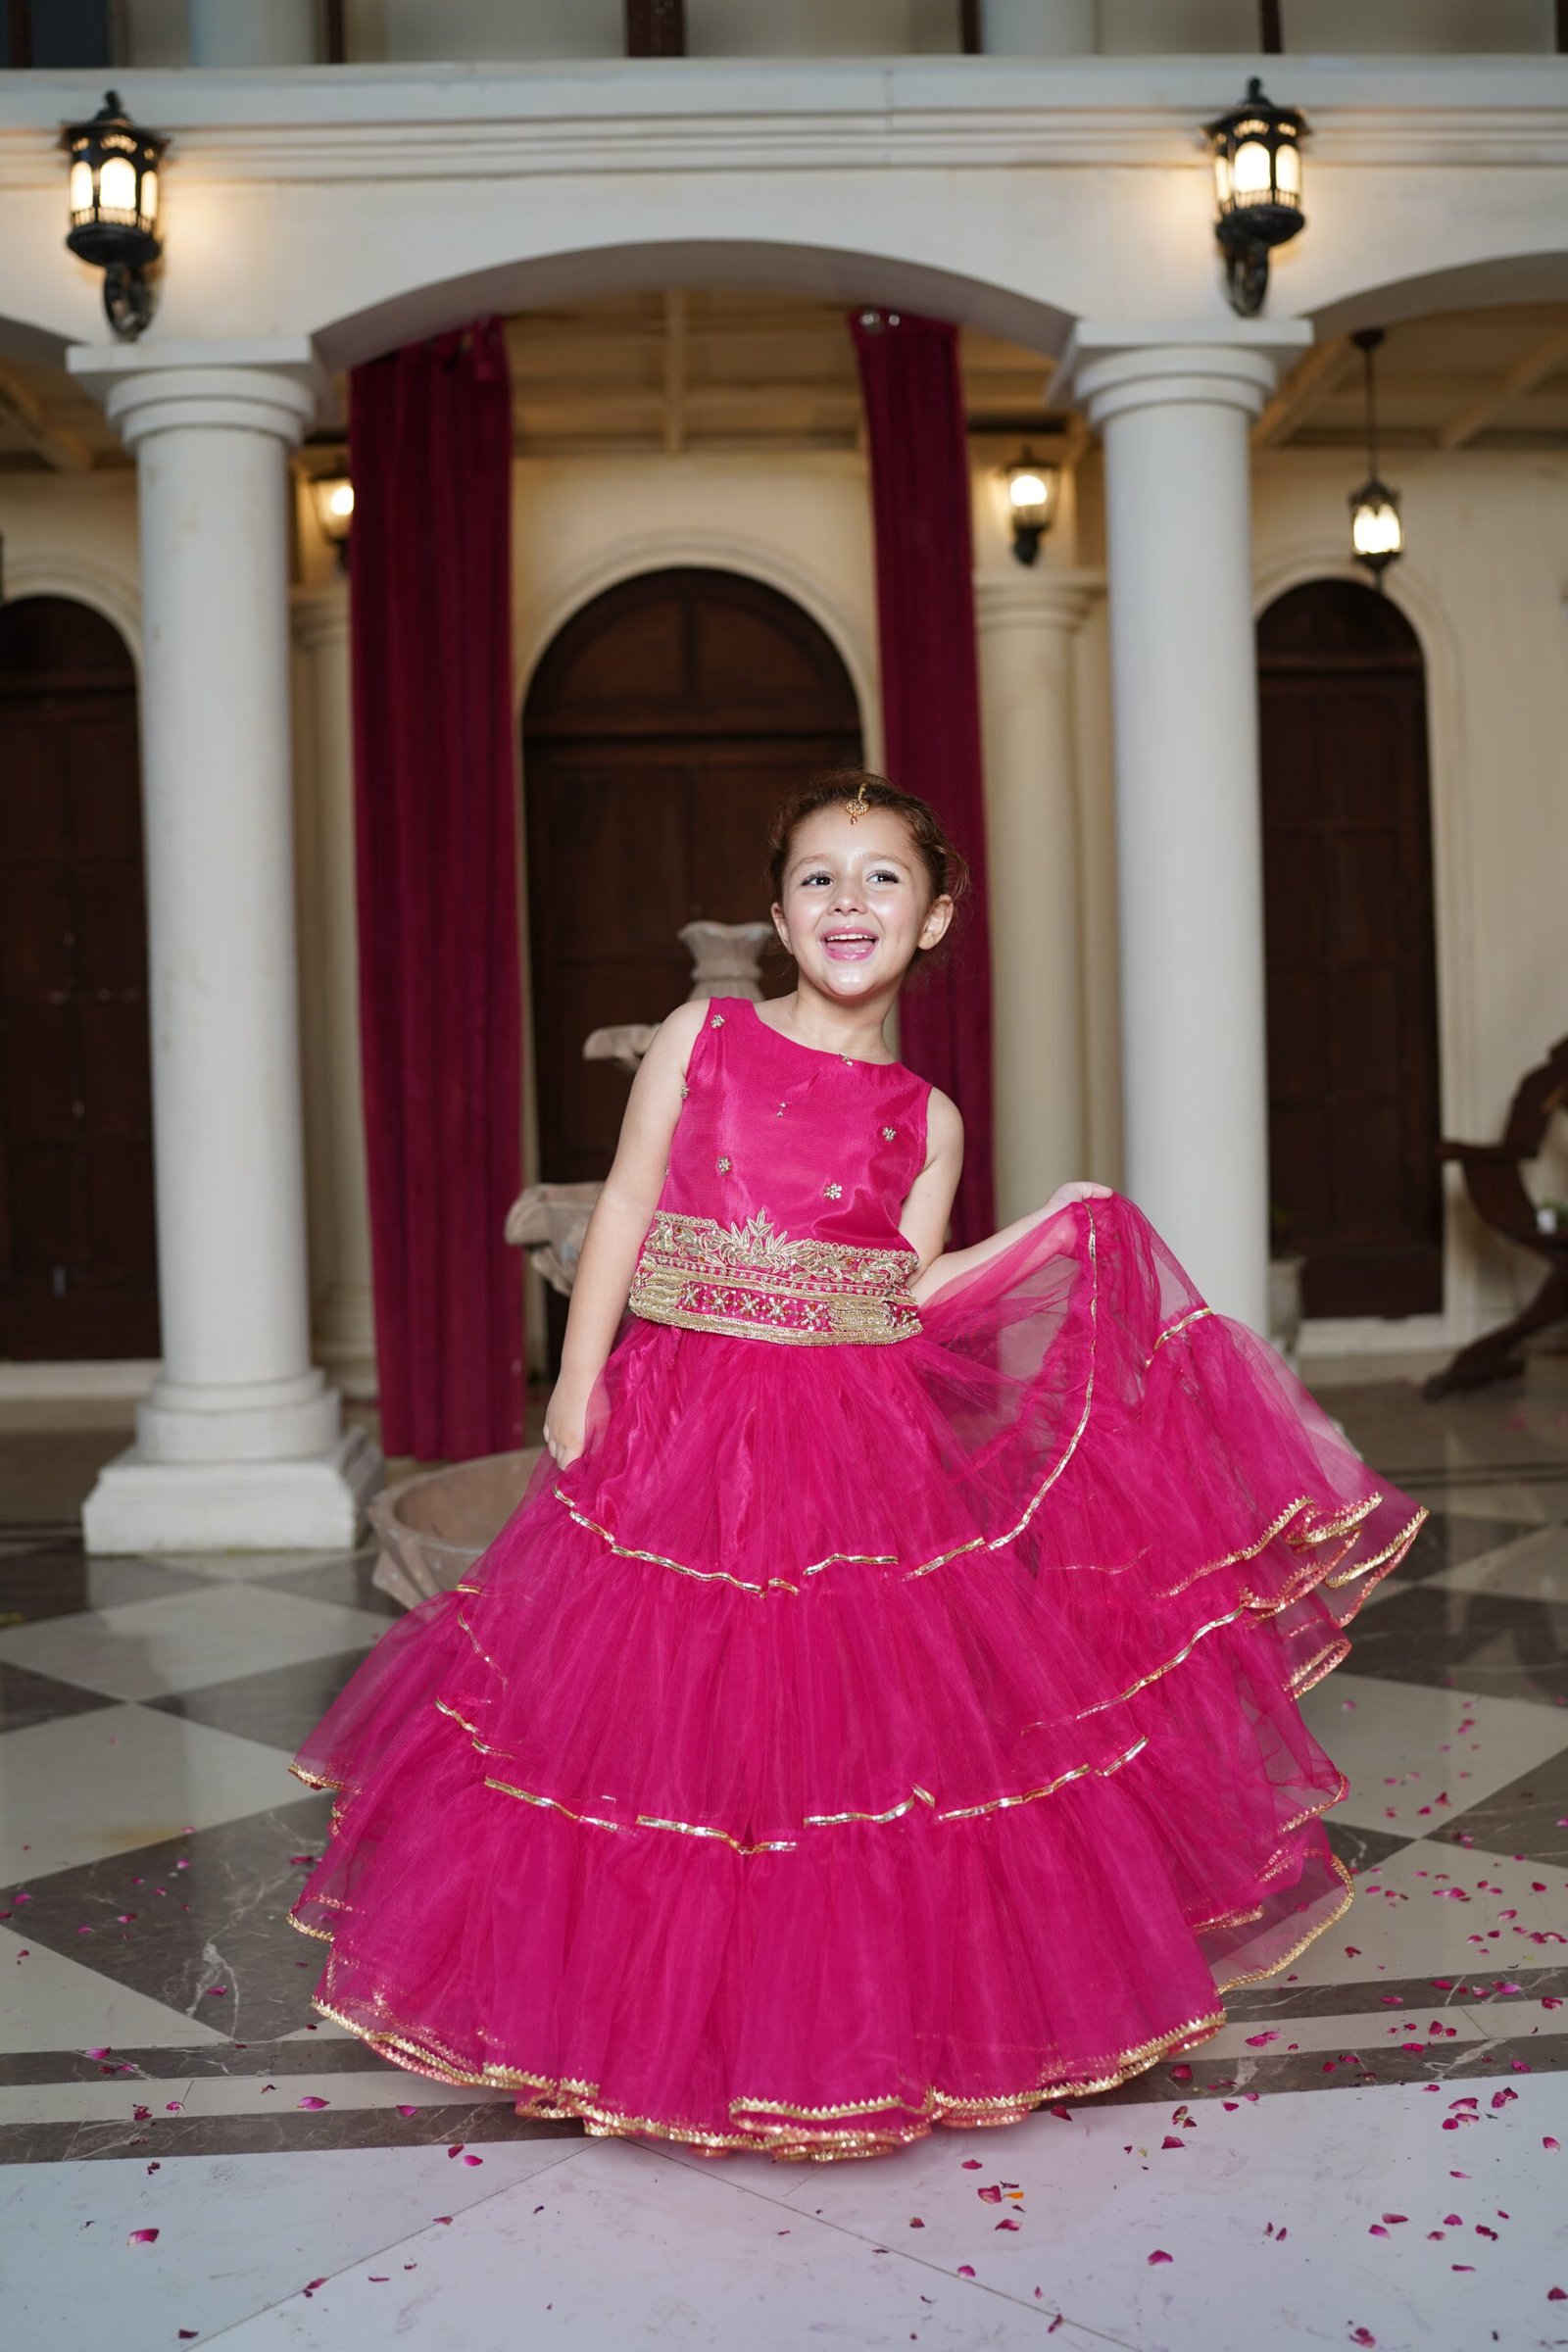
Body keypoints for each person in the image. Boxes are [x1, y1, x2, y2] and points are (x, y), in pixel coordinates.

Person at [289, 769, 1426, 2163]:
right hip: (680, 1420)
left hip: (846, 1447)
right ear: (778, 914)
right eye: (818, 877)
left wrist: (1046, 1233)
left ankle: (813, 2038)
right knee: (659, 1734)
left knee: (843, 1753)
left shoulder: (925, 1118)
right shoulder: (702, 1041)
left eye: (882, 878)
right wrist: (576, 1384)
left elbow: (906, 1293)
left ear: (935, 919)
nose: (848, 901)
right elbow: (633, 1201)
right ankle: (630, 2028)